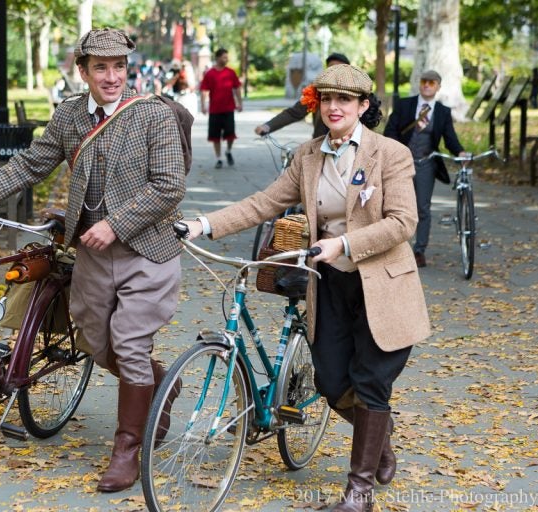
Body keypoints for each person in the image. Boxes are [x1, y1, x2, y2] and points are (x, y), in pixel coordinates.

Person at [0, 28, 186, 493]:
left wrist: (117, 223)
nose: (111, 77)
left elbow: (169, 184)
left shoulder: (152, 115)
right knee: (95, 341)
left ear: (127, 68)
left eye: (119, 67)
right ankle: (158, 382)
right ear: (83, 70)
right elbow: (31, 164)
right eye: (100, 67)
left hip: (147, 250)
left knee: (129, 342)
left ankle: (127, 450)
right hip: (91, 253)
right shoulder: (72, 114)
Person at [181, 64, 430, 511]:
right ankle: (380, 441)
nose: (335, 108)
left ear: (363, 106)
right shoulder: (308, 156)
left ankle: (359, 494)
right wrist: (204, 223)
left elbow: (403, 222)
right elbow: (265, 202)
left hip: (382, 287)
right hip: (327, 283)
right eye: (327, 99)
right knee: (332, 383)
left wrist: (344, 242)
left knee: (371, 383)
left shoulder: (390, 154)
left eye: (346, 101)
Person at [384, 69, 466, 268]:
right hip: (401, 163)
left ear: (438, 87)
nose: (427, 85)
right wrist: (395, 154)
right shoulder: (405, 105)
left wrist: (460, 152)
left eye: (431, 83)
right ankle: (393, 247)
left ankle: (419, 250)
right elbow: (390, 131)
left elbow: (450, 138)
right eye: (424, 82)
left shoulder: (443, 112)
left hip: (426, 163)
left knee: (423, 208)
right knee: (395, 206)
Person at [254, 52, 351, 139]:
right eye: (331, 68)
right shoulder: (316, 91)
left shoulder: (357, 94)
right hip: (320, 146)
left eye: (339, 68)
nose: (335, 72)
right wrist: (267, 126)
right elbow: (294, 113)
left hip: (349, 146)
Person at [200, 48, 243, 168]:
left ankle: (228, 151)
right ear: (218, 58)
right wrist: (203, 106)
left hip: (229, 108)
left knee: (230, 134)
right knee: (215, 136)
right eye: (224, 57)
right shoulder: (210, 73)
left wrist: (240, 103)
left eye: (227, 57)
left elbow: (237, 88)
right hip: (215, 110)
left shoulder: (231, 72)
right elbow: (204, 90)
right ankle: (219, 158)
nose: (226, 59)